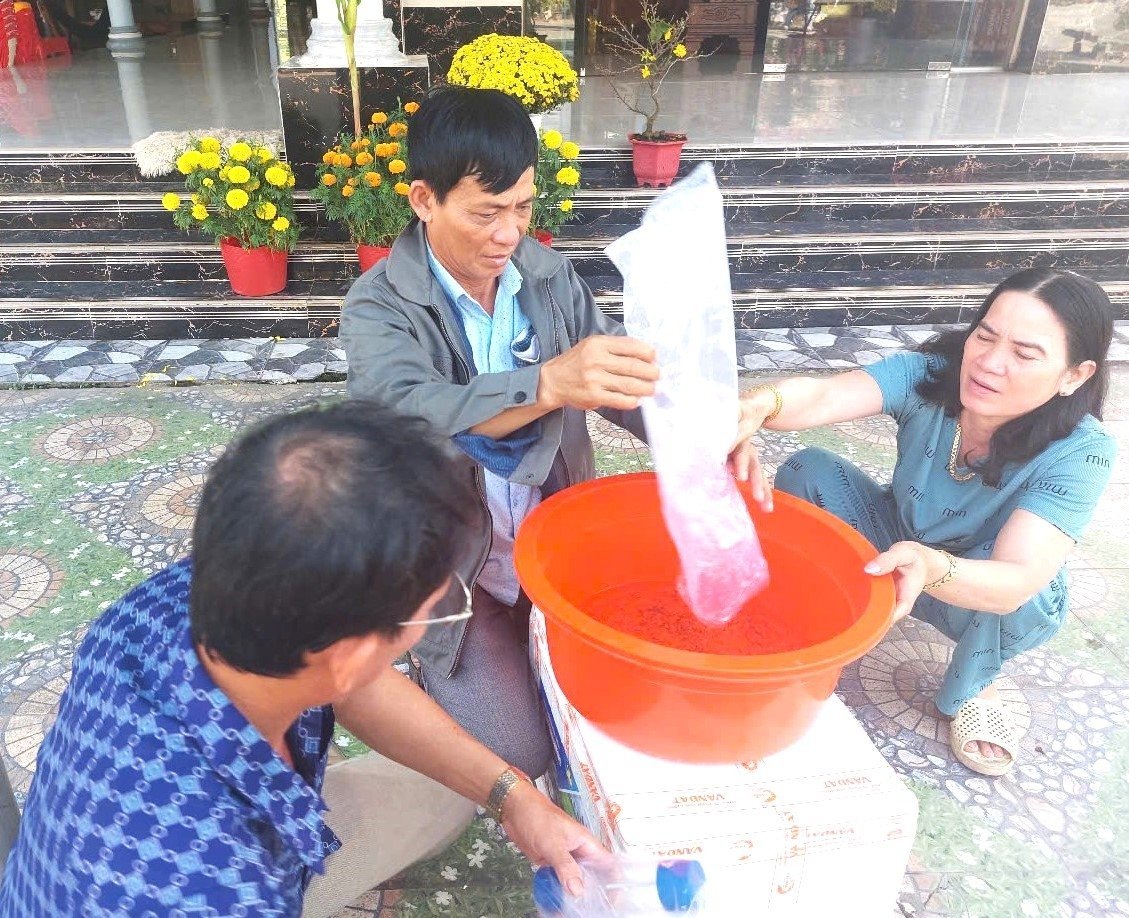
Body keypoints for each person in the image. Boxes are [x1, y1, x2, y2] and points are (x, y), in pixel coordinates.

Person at [0, 402, 608, 917]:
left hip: (197, 828)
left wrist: (513, 797)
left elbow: (353, 684)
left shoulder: (190, 597)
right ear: (349, 653)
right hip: (185, 873)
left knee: (459, 786)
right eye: (439, 603)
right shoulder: (217, 890)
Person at [340, 86, 658, 779]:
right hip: (455, 565)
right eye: (485, 213)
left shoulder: (548, 279)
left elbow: (618, 378)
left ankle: (532, 636)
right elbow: (413, 409)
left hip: (555, 540)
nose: (508, 235)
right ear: (424, 200)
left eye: (521, 208)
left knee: (617, 713)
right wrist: (545, 384)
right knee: (520, 751)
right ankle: (436, 666)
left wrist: (704, 430)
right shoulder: (377, 306)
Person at [730, 268, 1116, 777]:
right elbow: (826, 396)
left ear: (1074, 375)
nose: (990, 364)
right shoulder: (929, 376)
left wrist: (933, 565)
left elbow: (1015, 579)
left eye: (1024, 354)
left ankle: (976, 685)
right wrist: (760, 404)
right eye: (985, 335)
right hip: (896, 540)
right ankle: (818, 617)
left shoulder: (1081, 451)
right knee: (810, 471)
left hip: (972, 585)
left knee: (1032, 595)